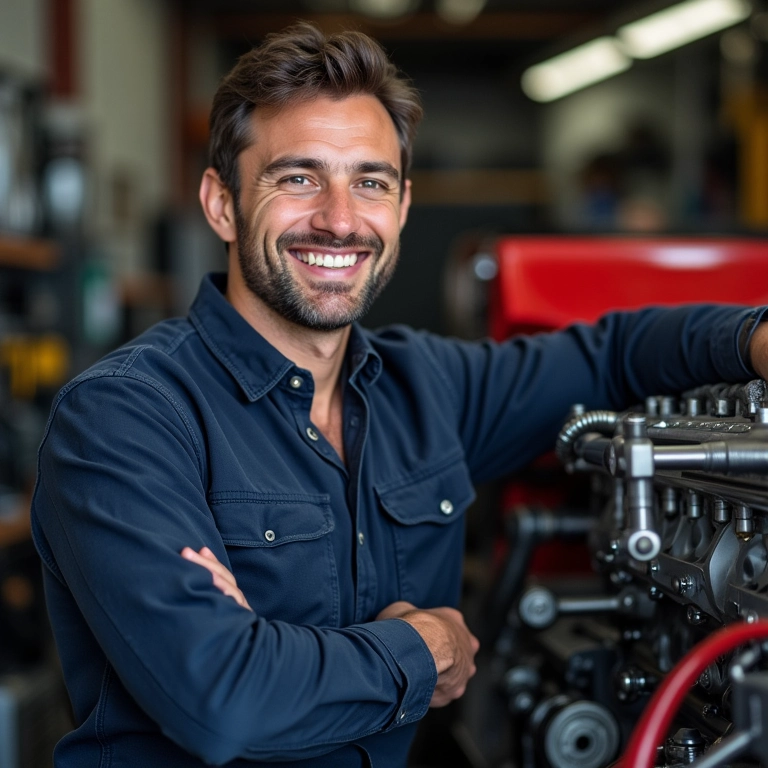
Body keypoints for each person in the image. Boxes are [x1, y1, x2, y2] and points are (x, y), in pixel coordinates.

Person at [31, 21, 768, 768]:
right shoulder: (126, 417)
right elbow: (222, 699)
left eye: (370, 182)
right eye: (298, 178)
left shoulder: (430, 388)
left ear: (404, 205)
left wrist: (753, 338)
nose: (340, 219)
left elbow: (610, 355)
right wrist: (427, 645)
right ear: (222, 204)